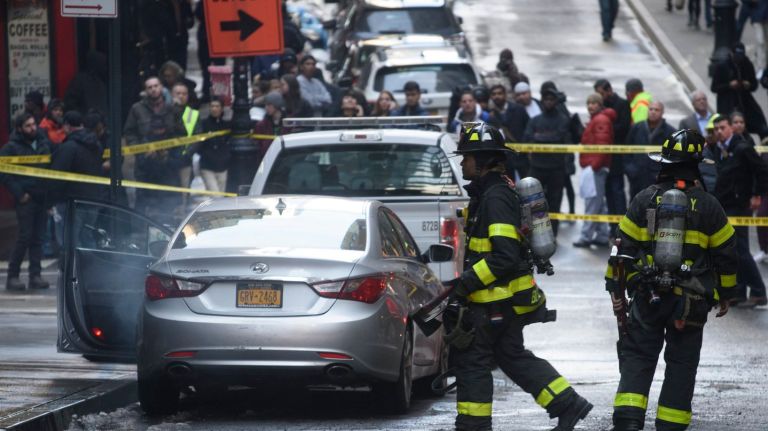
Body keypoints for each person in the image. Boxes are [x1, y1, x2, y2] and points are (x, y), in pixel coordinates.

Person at [449, 123, 592, 431]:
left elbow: (504, 256)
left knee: (473, 362)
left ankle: (473, 426)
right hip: (502, 302)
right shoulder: (491, 193)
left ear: (484, 160)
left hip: (493, 303)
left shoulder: (495, 198)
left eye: (467, 157)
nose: (462, 163)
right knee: (511, 356)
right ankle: (567, 403)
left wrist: (465, 284)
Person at [605, 129, 737, 431]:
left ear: (664, 163)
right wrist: (726, 292)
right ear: (696, 165)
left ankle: (627, 421)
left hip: (646, 296)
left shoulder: (643, 200)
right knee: (681, 363)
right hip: (689, 303)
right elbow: (727, 254)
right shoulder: (709, 206)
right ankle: (671, 424)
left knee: (638, 356)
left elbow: (621, 249)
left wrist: (615, 288)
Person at [710, 115, 768, 306]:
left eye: (722, 127)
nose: (719, 131)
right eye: (716, 128)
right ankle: (739, 292)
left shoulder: (741, 148)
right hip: (727, 204)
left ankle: (759, 290)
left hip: (740, 205)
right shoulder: (721, 149)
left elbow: (761, 171)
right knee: (732, 250)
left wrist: (757, 195)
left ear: (731, 129)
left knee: (739, 249)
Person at [0, 112, 52, 290]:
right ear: (19, 128)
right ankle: (12, 276)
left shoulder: (43, 143)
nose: (32, 128)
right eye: (28, 126)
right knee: (24, 237)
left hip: (41, 197)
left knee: (38, 237)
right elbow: (5, 174)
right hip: (26, 199)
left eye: (33, 124)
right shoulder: (11, 148)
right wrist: (19, 193)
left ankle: (35, 275)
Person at [123, 76, 185, 221]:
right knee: (144, 201)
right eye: (149, 87)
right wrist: (141, 150)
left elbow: (181, 133)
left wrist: (170, 150)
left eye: (156, 86)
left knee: (168, 202)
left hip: (167, 163)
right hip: (146, 163)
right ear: (145, 90)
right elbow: (130, 132)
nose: (153, 89)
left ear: (161, 87)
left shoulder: (172, 108)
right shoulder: (137, 109)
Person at [523, 87, 572, 236]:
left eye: (551, 99)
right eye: (546, 99)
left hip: (556, 168)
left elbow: (560, 138)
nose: (548, 102)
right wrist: (546, 137)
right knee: (532, 203)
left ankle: (553, 234)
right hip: (537, 167)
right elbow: (527, 137)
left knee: (555, 202)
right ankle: (533, 233)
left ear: (556, 102)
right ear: (542, 101)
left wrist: (540, 137)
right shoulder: (535, 120)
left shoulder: (563, 120)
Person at [574, 93, 614, 248]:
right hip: (595, 167)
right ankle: (603, 234)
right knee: (599, 204)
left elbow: (602, 145)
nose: (590, 105)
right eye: (588, 103)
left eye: (594, 103)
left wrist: (593, 166)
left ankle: (585, 236)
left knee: (592, 203)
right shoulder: (598, 120)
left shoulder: (600, 120)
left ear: (600, 104)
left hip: (595, 168)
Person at [594, 79, 632, 236]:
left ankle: (621, 228)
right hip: (604, 157)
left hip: (617, 157)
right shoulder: (602, 108)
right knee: (608, 192)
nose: (600, 97)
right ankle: (611, 228)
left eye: (602, 94)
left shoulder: (622, 104)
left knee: (617, 192)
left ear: (609, 90)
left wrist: (606, 128)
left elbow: (624, 127)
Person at [711, 43, 768, 139]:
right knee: (728, 131)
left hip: (745, 102)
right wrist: (729, 85)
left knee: (762, 127)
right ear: (731, 54)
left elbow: (754, 85)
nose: (739, 59)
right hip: (728, 103)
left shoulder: (747, 64)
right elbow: (714, 87)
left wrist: (748, 84)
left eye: (741, 56)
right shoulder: (722, 66)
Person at [49, 111, 108, 203]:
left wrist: (51, 201)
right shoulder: (97, 143)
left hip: (73, 203)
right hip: (95, 199)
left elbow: (57, 177)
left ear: (67, 125)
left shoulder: (68, 147)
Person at [625, 101, 676, 198]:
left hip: (658, 181)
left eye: (657, 110)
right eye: (651, 109)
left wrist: (664, 175)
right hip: (637, 178)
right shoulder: (637, 127)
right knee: (636, 208)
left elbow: (674, 157)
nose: (653, 112)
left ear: (662, 113)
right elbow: (627, 150)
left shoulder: (670, 132)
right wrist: (631, 170)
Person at [198, 97, 230, 193]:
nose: (214, 109)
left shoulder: (226, 125)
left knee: (221, 197)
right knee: (216, 195)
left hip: (222, 166)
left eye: (217, 106)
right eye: (212, 106)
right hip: (207, 166)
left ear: (221, 108)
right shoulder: (203, 124)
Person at [63, 51, 108, 115]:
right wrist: (83, 118)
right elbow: (69, 104)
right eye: (103, 64)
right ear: (96, 64)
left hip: (99, 123)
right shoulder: (79, 81)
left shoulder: (101, 83)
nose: (105, 68)